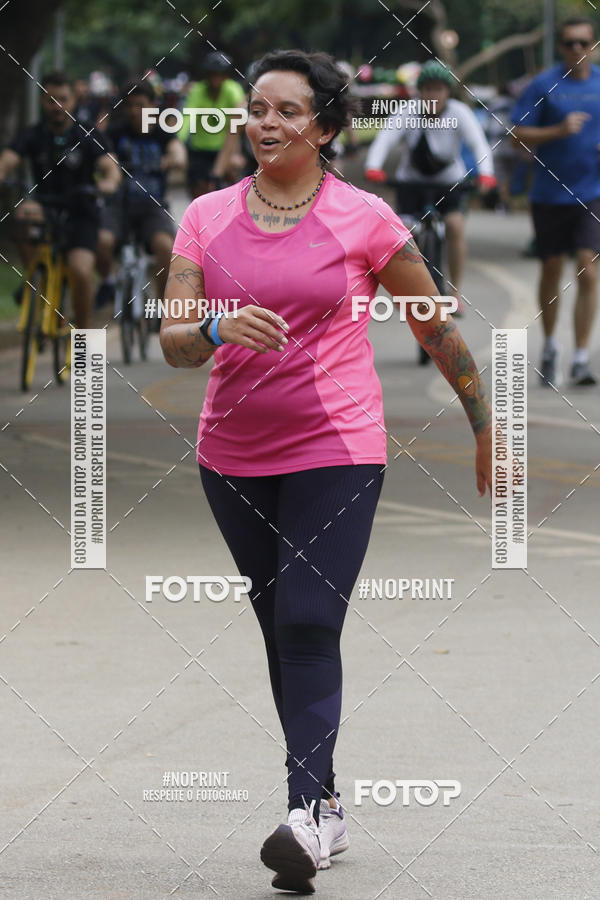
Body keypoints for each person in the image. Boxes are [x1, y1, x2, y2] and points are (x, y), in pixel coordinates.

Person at [159, 49, 492, 894]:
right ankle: (328, 803)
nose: (264, 122)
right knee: (282, 626)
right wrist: (218, 327)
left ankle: (304, 815)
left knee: (309, 622)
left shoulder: (366, 219)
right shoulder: (204, 216)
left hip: (337, 447)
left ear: (328, 127)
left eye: (286, 110)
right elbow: (175, 341)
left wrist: (486, 424)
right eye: (256, 108)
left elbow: (433, 325)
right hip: (231, 456)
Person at [364, 60, 497, 314]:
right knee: (404, 231)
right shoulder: (407, 110)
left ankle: (455, 293)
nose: (432, 95)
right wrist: (373, 166)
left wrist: (486, 175)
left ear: (447, 92)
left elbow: (479, 145)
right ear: (419, 91)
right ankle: (404, 289)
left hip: (449, 183)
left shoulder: (459, 113)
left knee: (455, 226)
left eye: (438, 89)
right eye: (427, 89)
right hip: (410, 182)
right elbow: (385, 139)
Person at [511, 16, 600, 387]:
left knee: (588, 269)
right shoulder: (543, 84)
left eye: (583, 42)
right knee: (551, 269)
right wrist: (557, 131)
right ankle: (550, 345)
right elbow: (516, 133)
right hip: (549, 194)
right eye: (569, 43)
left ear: (593, 46)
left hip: (593, 193)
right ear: (561, 46)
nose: (576, 49)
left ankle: (580, 357)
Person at [0, 70, 121, 327]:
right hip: (45, 207)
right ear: (42, 101)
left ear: (73, 100)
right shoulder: (33, 134)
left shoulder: (87, 134)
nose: (57, 106)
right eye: (50, 100)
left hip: (82, 211)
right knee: (23, 215)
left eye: (63, 99)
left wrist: (109, 183)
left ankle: (85, 336)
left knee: (81, 271)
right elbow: (8, 160)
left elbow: (111, 168)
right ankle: (35, 277)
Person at [95, 81, 186, 308]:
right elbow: (103, 156)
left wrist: (172, 159)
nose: (135, 111)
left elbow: (178, 153)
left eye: (141, 105)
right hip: (119, 205)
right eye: (130, 106)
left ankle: (162, 306)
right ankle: (107, 281)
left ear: (153, 105)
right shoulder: (116, 132)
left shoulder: (163, 132)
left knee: (165, 247)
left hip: (152, 206)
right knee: (102, 241)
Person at [179, 52, 246, 197]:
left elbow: (239, 118)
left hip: (224, 149)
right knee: (198, 189)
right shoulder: (198, 90)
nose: (217, 78)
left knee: (231, 176)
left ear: (226, 75)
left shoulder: (233, 89)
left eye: (220, 74)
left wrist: (237, 153)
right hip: (200, 149)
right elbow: (188, 117)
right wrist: (179, 141)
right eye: (213, 74)